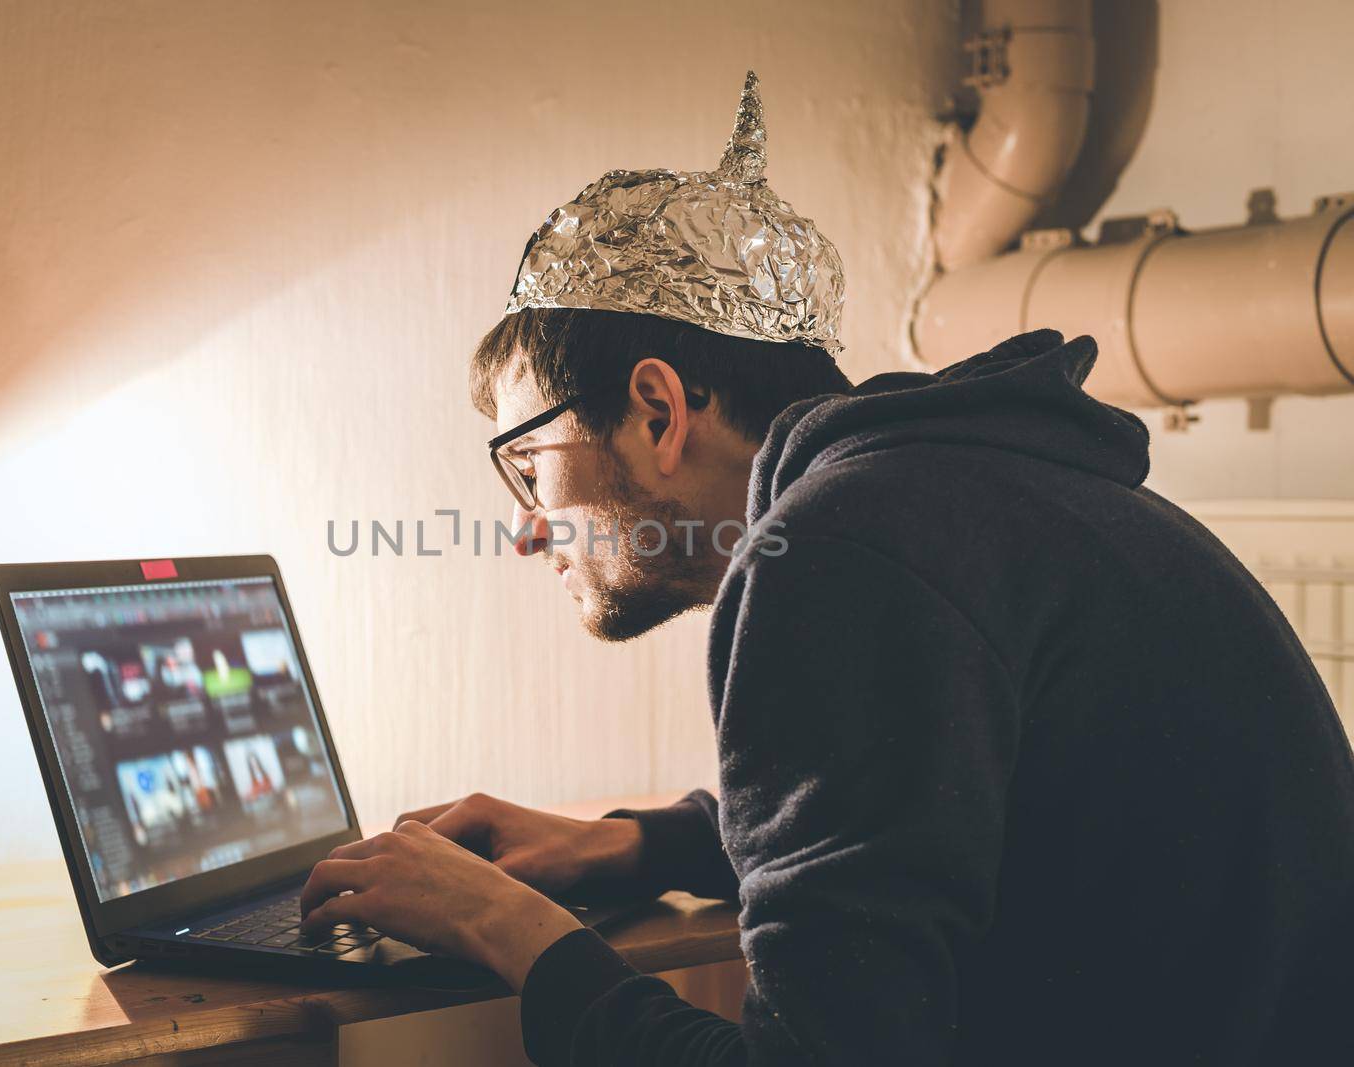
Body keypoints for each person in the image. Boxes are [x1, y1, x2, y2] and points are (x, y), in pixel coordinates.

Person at [300, 73, 1354, 1064]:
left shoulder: (840, 556)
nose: (527, 528)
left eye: (528, 464)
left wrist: (508, 926)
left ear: (658, 411)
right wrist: (635, 847)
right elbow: (936, 814)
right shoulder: (958, 495)